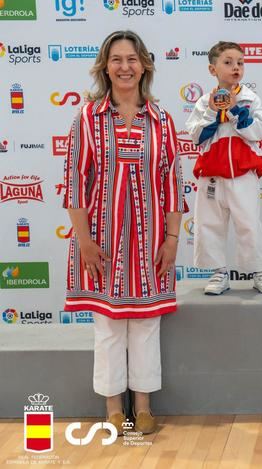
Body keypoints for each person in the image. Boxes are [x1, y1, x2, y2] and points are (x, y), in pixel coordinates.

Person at [63, 30, 185, 435]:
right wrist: (84, 241)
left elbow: (171, 182)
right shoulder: (87, 117)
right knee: (110, 325)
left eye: (132, 59)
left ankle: (145, 404)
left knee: (147, 321)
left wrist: (171, 239)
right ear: (105, 67)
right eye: (116, 59)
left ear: (145, 65)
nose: (124, 67)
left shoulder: (162, 120)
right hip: (102, 238)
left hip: (151, 239)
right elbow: (76, 184)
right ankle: (114, 406)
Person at [186, 41, 262, 296]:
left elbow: (258, 131)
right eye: (228, 62)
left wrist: (235, 109)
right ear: (212, 69)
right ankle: (218, 272)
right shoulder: (205, 101)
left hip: (243, 172)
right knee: (209, 223)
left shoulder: (249, 98)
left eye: (240, 62)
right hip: (211, 174)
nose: (235, 67)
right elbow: (196, 136)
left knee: (249, 223)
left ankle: (259, 271)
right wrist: (213, 112)